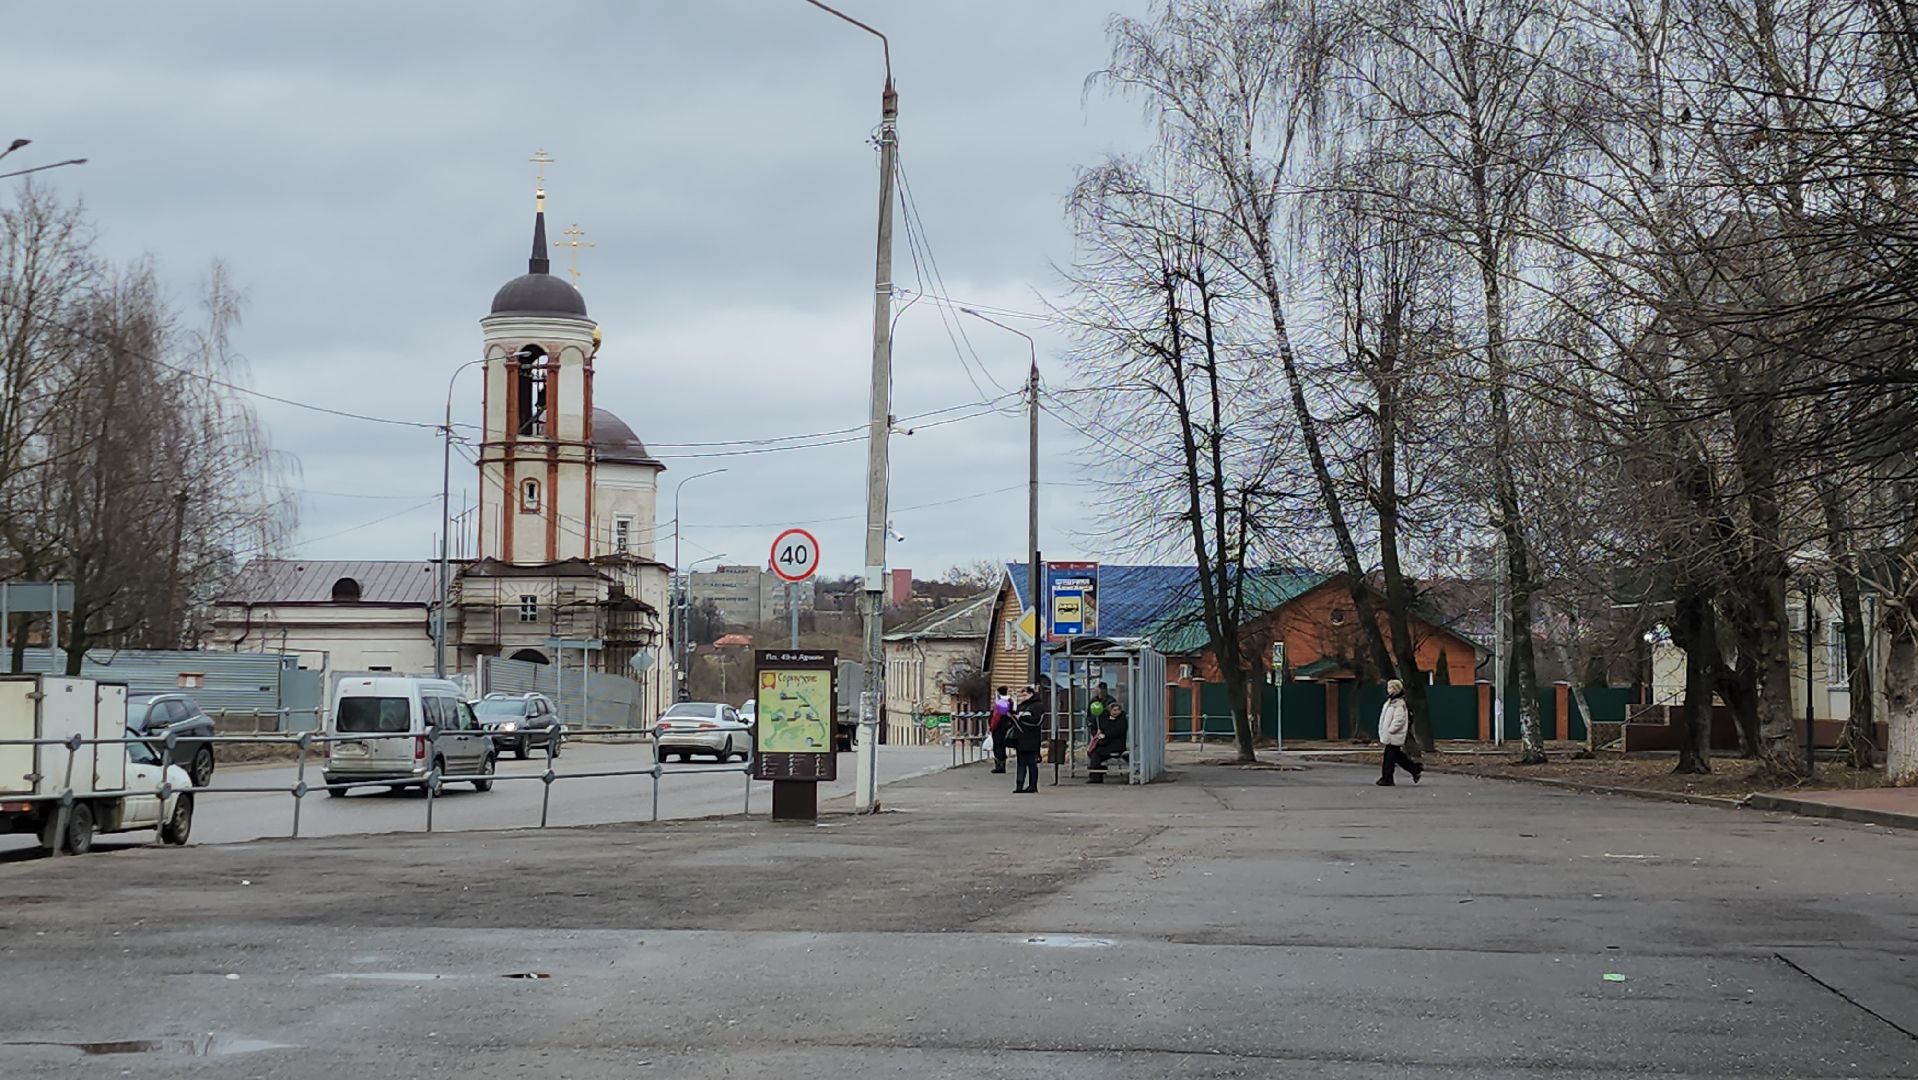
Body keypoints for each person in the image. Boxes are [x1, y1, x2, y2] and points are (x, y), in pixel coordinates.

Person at [1376, 679, 1422, 786]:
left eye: (1391, 688)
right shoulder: (1391, 702)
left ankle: (1387, 778)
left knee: (1389, 757)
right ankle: (1415, 769)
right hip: (1390, 734)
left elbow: (1399, 719)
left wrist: (1391, 730)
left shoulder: (1399, 704)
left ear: (1396, 689)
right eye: (1388, 688)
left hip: (1394, 735)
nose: (1389, 690)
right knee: (1396, 756)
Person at [1011, 685, 1045, 793]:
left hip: (1032, 739)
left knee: (1031, 763)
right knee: (1021, 763)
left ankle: (1032, 785)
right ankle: (1019, 785)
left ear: (1031, 694)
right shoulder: (1022, 706)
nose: (1023, 697)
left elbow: (1037, 721)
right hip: (1020, 738)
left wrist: (1021, 717)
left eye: (1025, 695)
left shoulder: (1038, 706)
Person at [1087, 696, 1128, 783]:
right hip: (1106, 744)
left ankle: (1096, 775)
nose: (1116, 712)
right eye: (1114, 710)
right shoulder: (1105, 718)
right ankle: (1096, 773)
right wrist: (1099, 732)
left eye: (1118, 710)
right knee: (1093, 752)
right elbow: (1100, 726)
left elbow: (1118, 731)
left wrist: (1105, 735)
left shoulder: (1122, 719)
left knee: (1096, 753)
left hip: (1116, 745)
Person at [988, 686, 1014, 774]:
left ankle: (1000, 766)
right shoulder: (1009, 701)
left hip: (999, 728)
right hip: (1005, 726)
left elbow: (997, 717)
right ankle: (1001, 765)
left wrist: (992, 726)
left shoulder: (1002, 702)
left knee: (998, 746)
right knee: (1001, 746)